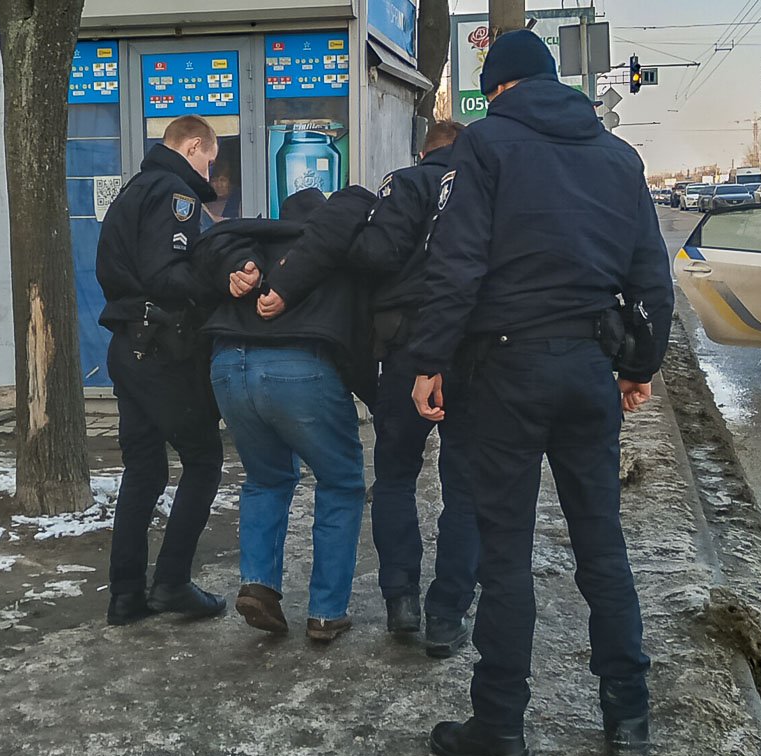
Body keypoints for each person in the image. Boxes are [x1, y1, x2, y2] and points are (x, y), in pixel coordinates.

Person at [408, 31, 674, 756]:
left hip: (503, 374)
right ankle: (629, 720)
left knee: (506, 558)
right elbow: (652, 278)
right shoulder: (620, 159)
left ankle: (500, 729)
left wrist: (429, 361)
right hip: (590, 369)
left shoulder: (485, 148)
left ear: (497, 90)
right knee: (602, 549)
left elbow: (456, 264)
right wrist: (637, 365)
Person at [196, 186, 374, 642]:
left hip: (227, 365)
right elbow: (357, 338)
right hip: (298, 367)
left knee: (266, 478)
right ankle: (326, 612)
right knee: (341, 481)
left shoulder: (251, 248)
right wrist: (379, 398)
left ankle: (259, 585)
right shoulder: (331, 253)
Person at [348, 121, 478, 658]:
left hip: (406, 349)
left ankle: (401, 600)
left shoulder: (404, 183)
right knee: (465, 485)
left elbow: (374, 256)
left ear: (423, 151)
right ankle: (447, 615)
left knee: (396, 477)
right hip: (470, 353)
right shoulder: (482, 187)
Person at [96, 114, 227, 626]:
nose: (210, 169)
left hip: (129, 346)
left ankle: (126, 594)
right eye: (209, 159)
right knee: (203, 458)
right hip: (161, 349)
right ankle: (171, 582)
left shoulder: (134, 190)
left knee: (145, 470)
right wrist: (217, 278)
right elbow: (165, 273)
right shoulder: (175, 193)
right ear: (192, 145)